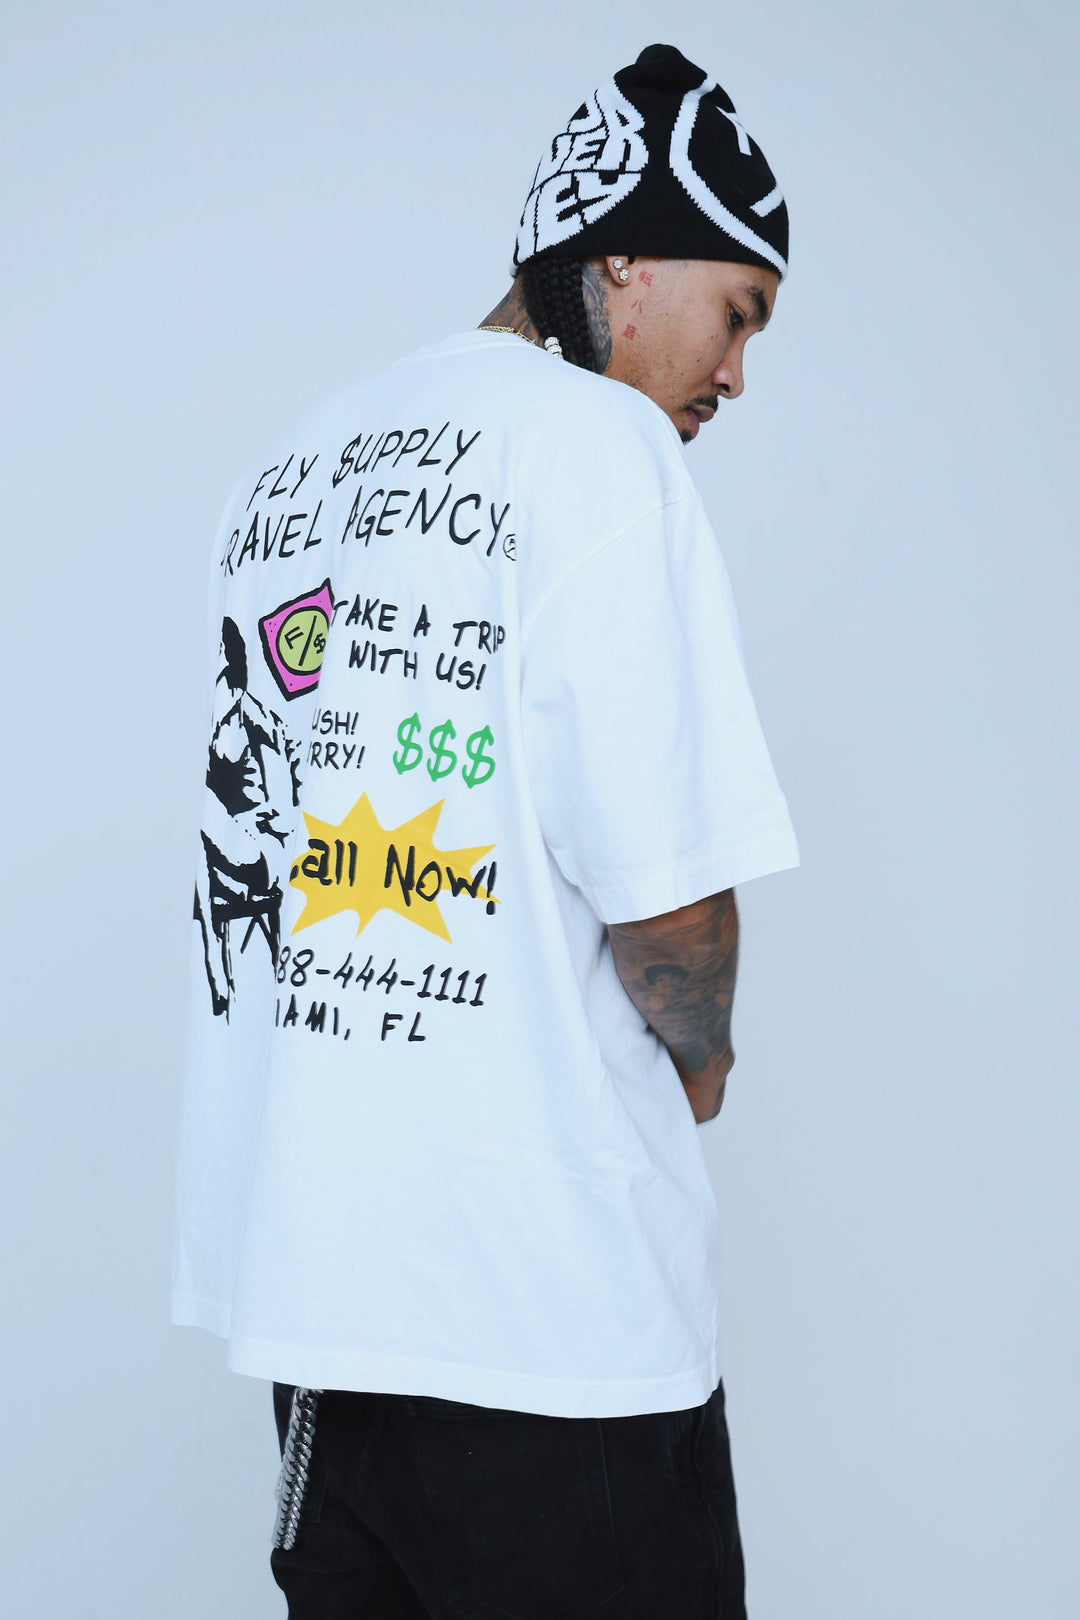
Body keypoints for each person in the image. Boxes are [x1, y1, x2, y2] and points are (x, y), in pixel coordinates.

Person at [173, 42, 798, 1619]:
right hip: (552, 1337)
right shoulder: (599, 449)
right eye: (739, 313)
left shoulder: (296, 470)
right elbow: (670, 908)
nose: (736, 376)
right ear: (627, 258)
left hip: (322, 1339)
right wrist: (706, 1059)